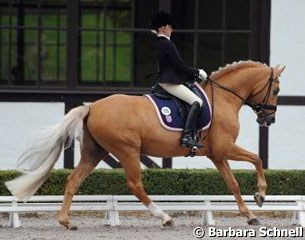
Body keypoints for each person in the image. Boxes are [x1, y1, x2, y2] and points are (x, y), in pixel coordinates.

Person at [150, 10, 207, 149]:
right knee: (197, 101)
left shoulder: (160, 43)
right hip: (169, 81)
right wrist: (197, 72)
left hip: (167, 79)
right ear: (163, 27)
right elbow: (179, 65)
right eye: (170, 27)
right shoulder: (166, 44)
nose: (172, 29)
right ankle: (187, 136)